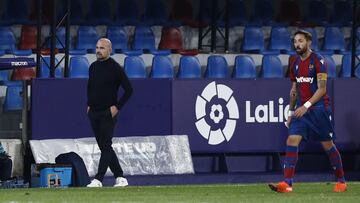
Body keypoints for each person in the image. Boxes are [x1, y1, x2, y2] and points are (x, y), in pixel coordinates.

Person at [268, 30, 347, 193]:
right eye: (295, 41)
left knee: (327, 145)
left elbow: (322, 89)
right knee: (291, 140)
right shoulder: (293, 61)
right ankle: (287, 183)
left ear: (309, 42)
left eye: (301, 41)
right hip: (302, 110)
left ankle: (341, 180)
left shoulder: (318, 60)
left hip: (318, 109)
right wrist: (290, 112)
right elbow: (294, 90)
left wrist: (306, 106)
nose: (297, 44)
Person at [86, 38, 133, 187]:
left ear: (109, 50)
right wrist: (88, 105)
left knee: (105, 145)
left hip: (108, 113)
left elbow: (129, 90)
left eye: (102, 48)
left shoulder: (115, 68)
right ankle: (120, 177)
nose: (99, 51)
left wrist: (117, 107)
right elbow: (91, 87)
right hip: (93, 112)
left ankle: (98, 179)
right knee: (105, 147)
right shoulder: (92, 67)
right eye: (97, 47)